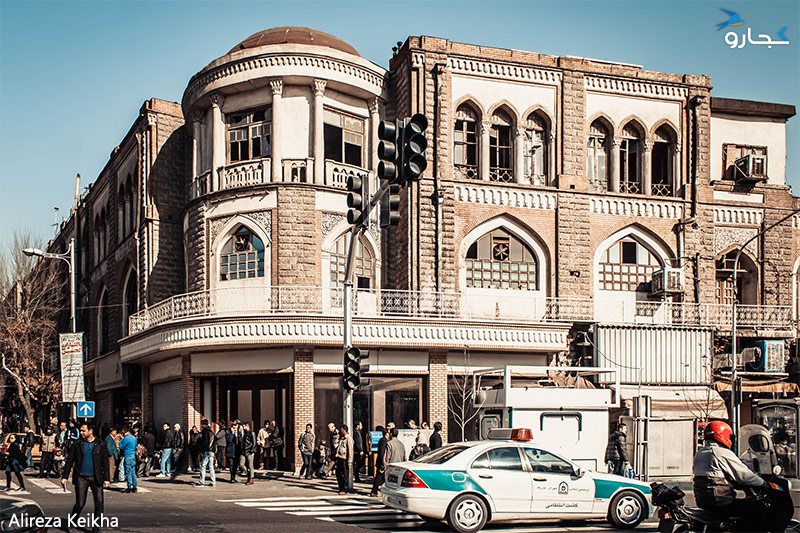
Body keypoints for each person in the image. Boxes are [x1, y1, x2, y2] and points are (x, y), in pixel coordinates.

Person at [693, 420, 767, 531]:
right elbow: (744, 475)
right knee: (757, 508)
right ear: (722, 435)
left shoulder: (701, 453)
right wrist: (763, 483)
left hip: (704, 501)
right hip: (720, 502)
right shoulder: (720, 452)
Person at [60, 422, 110, 533]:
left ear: (90, 431)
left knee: (99, 503)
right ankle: (72, 522)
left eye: (83, 430)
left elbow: (105, 462)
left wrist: (107, 478)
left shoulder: (101, 444)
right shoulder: (77, 444)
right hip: (81, 478)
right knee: (80, 503)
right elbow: (70, 461)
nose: (81, 433)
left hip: (96, 477)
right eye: (81, 431)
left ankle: (96, 528)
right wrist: (65, 476)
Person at [196, 419, 216, 487]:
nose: (201, 425)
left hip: (207, 451)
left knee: (203, 466)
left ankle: (202, 481)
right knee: (211, 466)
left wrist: (202, 451)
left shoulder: (204, 432)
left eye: (202, 424)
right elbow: (213, 441)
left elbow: (204, 442)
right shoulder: (211, 431)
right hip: (212, 451)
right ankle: (213, 481)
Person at [369, 426, 389, 497]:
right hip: (382, 462)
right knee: (379, 477)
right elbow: (382, 453)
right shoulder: (383, 441)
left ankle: (375, 491)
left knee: (380, 478)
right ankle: (374, 491)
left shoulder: (383, 440)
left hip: (382, 462)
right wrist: (382, 464)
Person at [335, 424, 354, 495]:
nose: (341, 431)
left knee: (345, 474)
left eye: (341, 430)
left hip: (344, 458)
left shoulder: (348, 438)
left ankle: (345, 489)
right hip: (339, 457)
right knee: (338, 473)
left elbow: (350, 450)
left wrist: (350, 461)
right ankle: (340, 487)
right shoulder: (341, 438)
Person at [119, 426, 138, 493]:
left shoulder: (126, 438)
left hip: (128, 455)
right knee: (133, 471)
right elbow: (136, 444)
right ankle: (135, 486)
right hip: (133, 455)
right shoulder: (133, 438)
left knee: (128, 472)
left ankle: (129, 486)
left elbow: (121, 447)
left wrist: (121, 439)